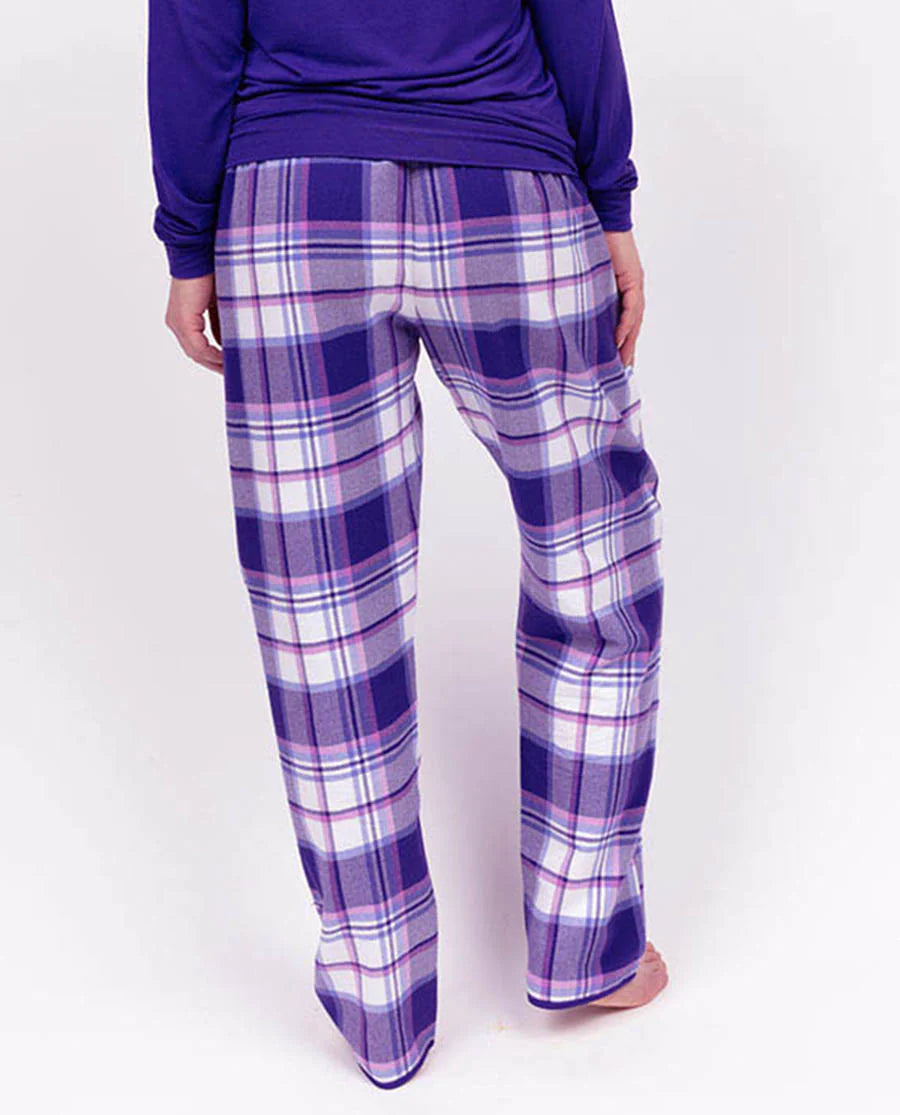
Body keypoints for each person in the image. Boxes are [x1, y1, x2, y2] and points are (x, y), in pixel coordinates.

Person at [147, 0, 667, 1089]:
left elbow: (195, 22)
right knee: (594, 553)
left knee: (324, 614)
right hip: (507, 177)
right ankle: (587, 945)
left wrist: (191, 238)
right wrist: (609, 195)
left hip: (294, 203)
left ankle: (382, 998)